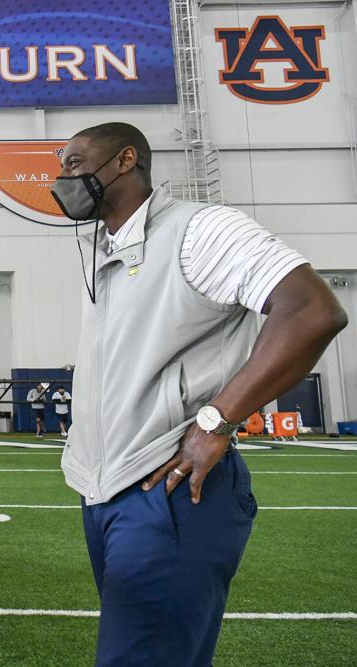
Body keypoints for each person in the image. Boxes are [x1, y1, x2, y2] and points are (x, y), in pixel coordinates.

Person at [54, 122, 347, 666]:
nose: (62, 178)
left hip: (171, 487)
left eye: (74, 163)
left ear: (124, 161)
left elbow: (311, 311)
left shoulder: (200, 229)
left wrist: (217, 420)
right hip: (105, 491)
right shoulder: (106, 249)